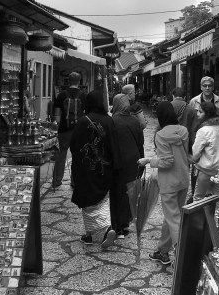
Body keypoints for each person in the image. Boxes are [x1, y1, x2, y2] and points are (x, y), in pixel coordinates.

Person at [137, 101, 189, 266]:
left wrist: (148, 161)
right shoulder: (183, 131)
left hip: (169, 183)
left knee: (173, 219)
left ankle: (182, 257)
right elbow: (184, 155)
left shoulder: (161, 135)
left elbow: (167, 162)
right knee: (172, 217)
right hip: (183, 179)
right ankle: (163, 251)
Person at [70, 90, 117, 249]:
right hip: (104, 168)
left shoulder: (82, 121)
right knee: (102, 200)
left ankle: (101, 230)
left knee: (87, 200)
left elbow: (74, 145)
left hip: (85, 169)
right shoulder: (108, 120)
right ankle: (95, 232)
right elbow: (113, 144)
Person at [110, 93, 144, 239]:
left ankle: (116, 225)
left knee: (117, 192)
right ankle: (125, 223)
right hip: (133, 160)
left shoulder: (112, 121)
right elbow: (140, 143)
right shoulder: (135, 121)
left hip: (117, 161)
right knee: (129, 192)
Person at [191, 101, 219, 201]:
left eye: (200, 112)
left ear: (207, 114)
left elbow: (195, 155)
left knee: (199, 199)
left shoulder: (203, 131)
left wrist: (194, 160)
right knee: (217, 198)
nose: (197, 114)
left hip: (205, 170)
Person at [52, 72, 86, 188]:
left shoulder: (61, 95)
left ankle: (57, 180)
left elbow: (57, 115)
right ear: (79, 81)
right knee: (77, 156)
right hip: (78, 130)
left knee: (61, 155)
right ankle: (75, 181)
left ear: (68, 81)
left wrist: (57, 127)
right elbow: (85, 113)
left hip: (64, 129)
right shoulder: (82, 95)